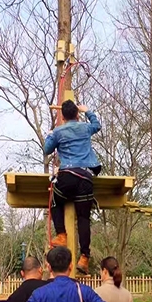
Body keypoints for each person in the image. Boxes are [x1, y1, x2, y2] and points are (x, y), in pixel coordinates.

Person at [45, 100, 102, 274]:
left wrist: (50, 134)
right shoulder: (85, 128)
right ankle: (84, 256)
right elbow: (97, 125)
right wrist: (88, 110)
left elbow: (47, 149)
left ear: (62, 116)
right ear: (77, 114)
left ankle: (62, 235)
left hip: (68, 175)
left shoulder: (58, 132)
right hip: (85, 176)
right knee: (84, 217)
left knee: (55, 199)